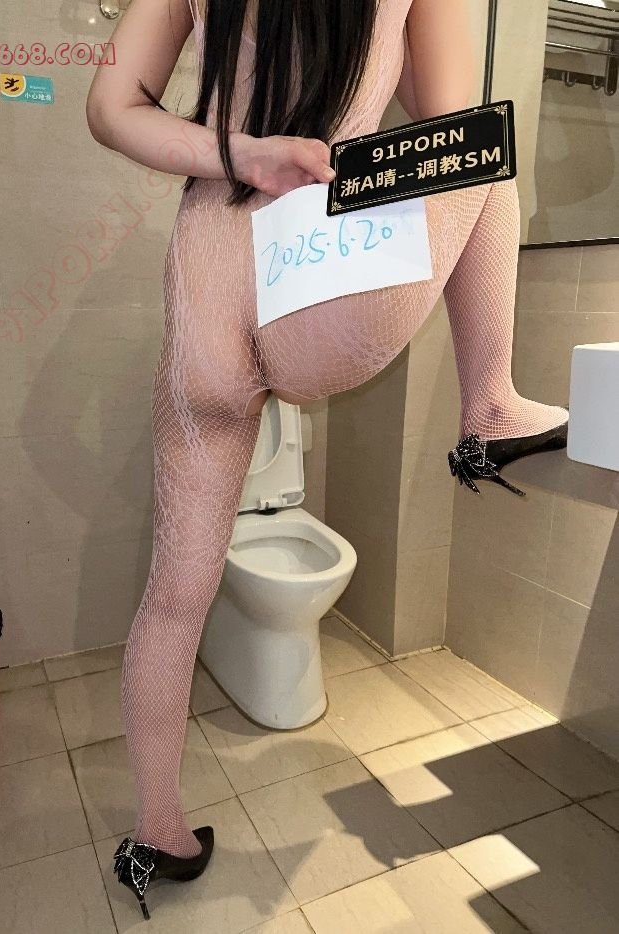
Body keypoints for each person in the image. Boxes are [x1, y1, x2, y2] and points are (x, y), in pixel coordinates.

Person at [86, 0, 569, 918]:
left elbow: (111, 109)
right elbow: (445, 126)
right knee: (485, 147)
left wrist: (244, 152)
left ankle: (156, 833)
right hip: (317, 269)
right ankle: (491, 404)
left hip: (205, 276)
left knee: (174, 597)